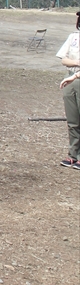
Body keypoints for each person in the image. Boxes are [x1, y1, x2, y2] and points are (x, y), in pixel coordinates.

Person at [56, 12, 80, 169]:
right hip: (70, 80)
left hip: (75, 77)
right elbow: (63, 59)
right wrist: (76, 62)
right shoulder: (73, 37)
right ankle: (73, 154)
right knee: (72, 121)